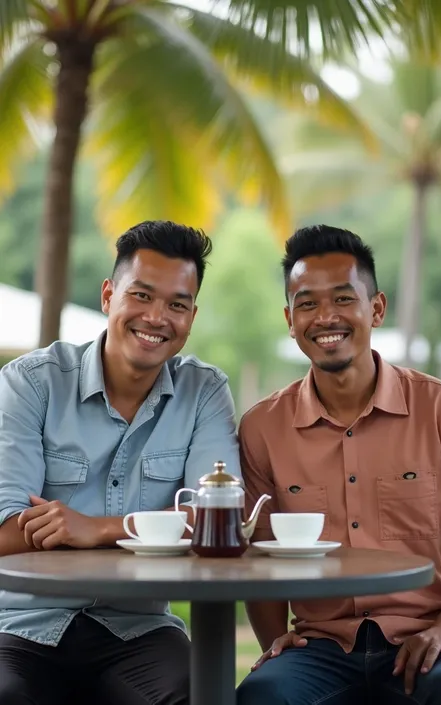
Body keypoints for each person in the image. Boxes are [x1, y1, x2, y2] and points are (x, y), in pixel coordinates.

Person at [0, 220, 240, 705]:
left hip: (139, 626)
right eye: (142, 296)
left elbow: (218, 520)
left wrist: (101, 528)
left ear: (192, 316)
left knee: (200, 693)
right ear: (109, 295)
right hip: (21, 623)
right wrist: (157, 529)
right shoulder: (31, 384)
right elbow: (5, 532)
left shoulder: (205, 391)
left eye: (177, 304)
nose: (157, 317)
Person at [237, 225, 441, 705]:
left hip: (429, 634)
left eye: (343, 299)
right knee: (263, 695)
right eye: (307, 304)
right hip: (320, 644)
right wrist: (273, 643)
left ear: (377, 309)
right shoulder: (262, 427)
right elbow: (259, 560)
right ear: (289, 318)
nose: (326, 317)